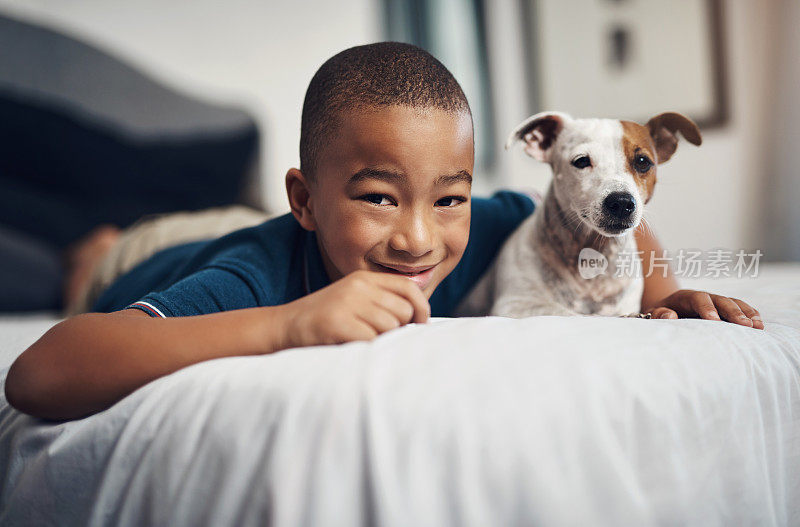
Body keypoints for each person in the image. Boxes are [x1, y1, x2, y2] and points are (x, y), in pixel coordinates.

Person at [5, 42, 762, 422]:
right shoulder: (255, 276)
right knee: (93, 257)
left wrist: (662, 288)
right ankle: (94, 246)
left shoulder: (488, 229)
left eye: (449, 199)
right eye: (378, 196)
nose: (417, 240)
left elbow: (601, 226)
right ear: (305, 200)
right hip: (163, 247)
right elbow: (36, 374)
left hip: (269, 221)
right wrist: (286, 323)